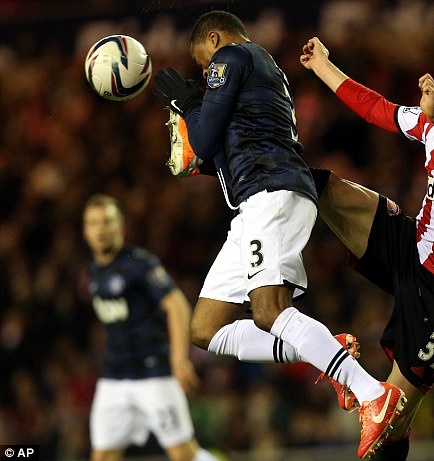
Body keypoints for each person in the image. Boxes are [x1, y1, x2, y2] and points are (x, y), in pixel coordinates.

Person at [153, 10, 406, 459]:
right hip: (256, 201)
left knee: (270, 311)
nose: (205, 74)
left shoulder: (232, 57)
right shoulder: (260, 71)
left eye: (203, 62)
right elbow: (224, 149)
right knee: (206, 329)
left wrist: (189, 105)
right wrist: (199, 142)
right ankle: (324, 351)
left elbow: (206, 139)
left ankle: (373, 394)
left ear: (215, 39)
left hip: (271, 194)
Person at [299, 37, 434, 460]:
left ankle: (355, 379)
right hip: (413, 247)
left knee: (391, 421)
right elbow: (376, 108)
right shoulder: (433, 121)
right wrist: (322, 65)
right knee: (323, 186)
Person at [82, 194, 220, 461]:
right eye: (94, 223)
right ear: (85, 231)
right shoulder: (94, 271)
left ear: (121, 226)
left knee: (183, 454)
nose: (100, 229)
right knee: (102, 455)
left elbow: (177, 306)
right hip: (113, 377)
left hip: (153, 373)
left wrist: (179, 360)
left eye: (107, 222)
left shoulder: (139, 264)